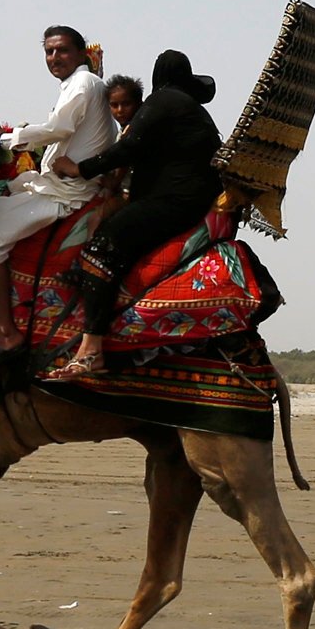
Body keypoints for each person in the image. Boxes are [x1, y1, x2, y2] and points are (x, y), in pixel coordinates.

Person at [45, 49, 224, 381]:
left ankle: (91, 351)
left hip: (176, 200)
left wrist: (78, 168)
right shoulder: (186, 107)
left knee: (101, 248)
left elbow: (127, 149)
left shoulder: (164, 102)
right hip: (185, 197)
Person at [0, 25, 111, 352]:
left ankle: (6, 334)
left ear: (80, 54)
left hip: (66, 194)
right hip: (56, 185)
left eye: (62, 50)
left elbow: (57, 128)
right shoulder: (79, 85)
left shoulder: (84, 83)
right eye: (49, 51)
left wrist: (0, 140)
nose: (54, 57)